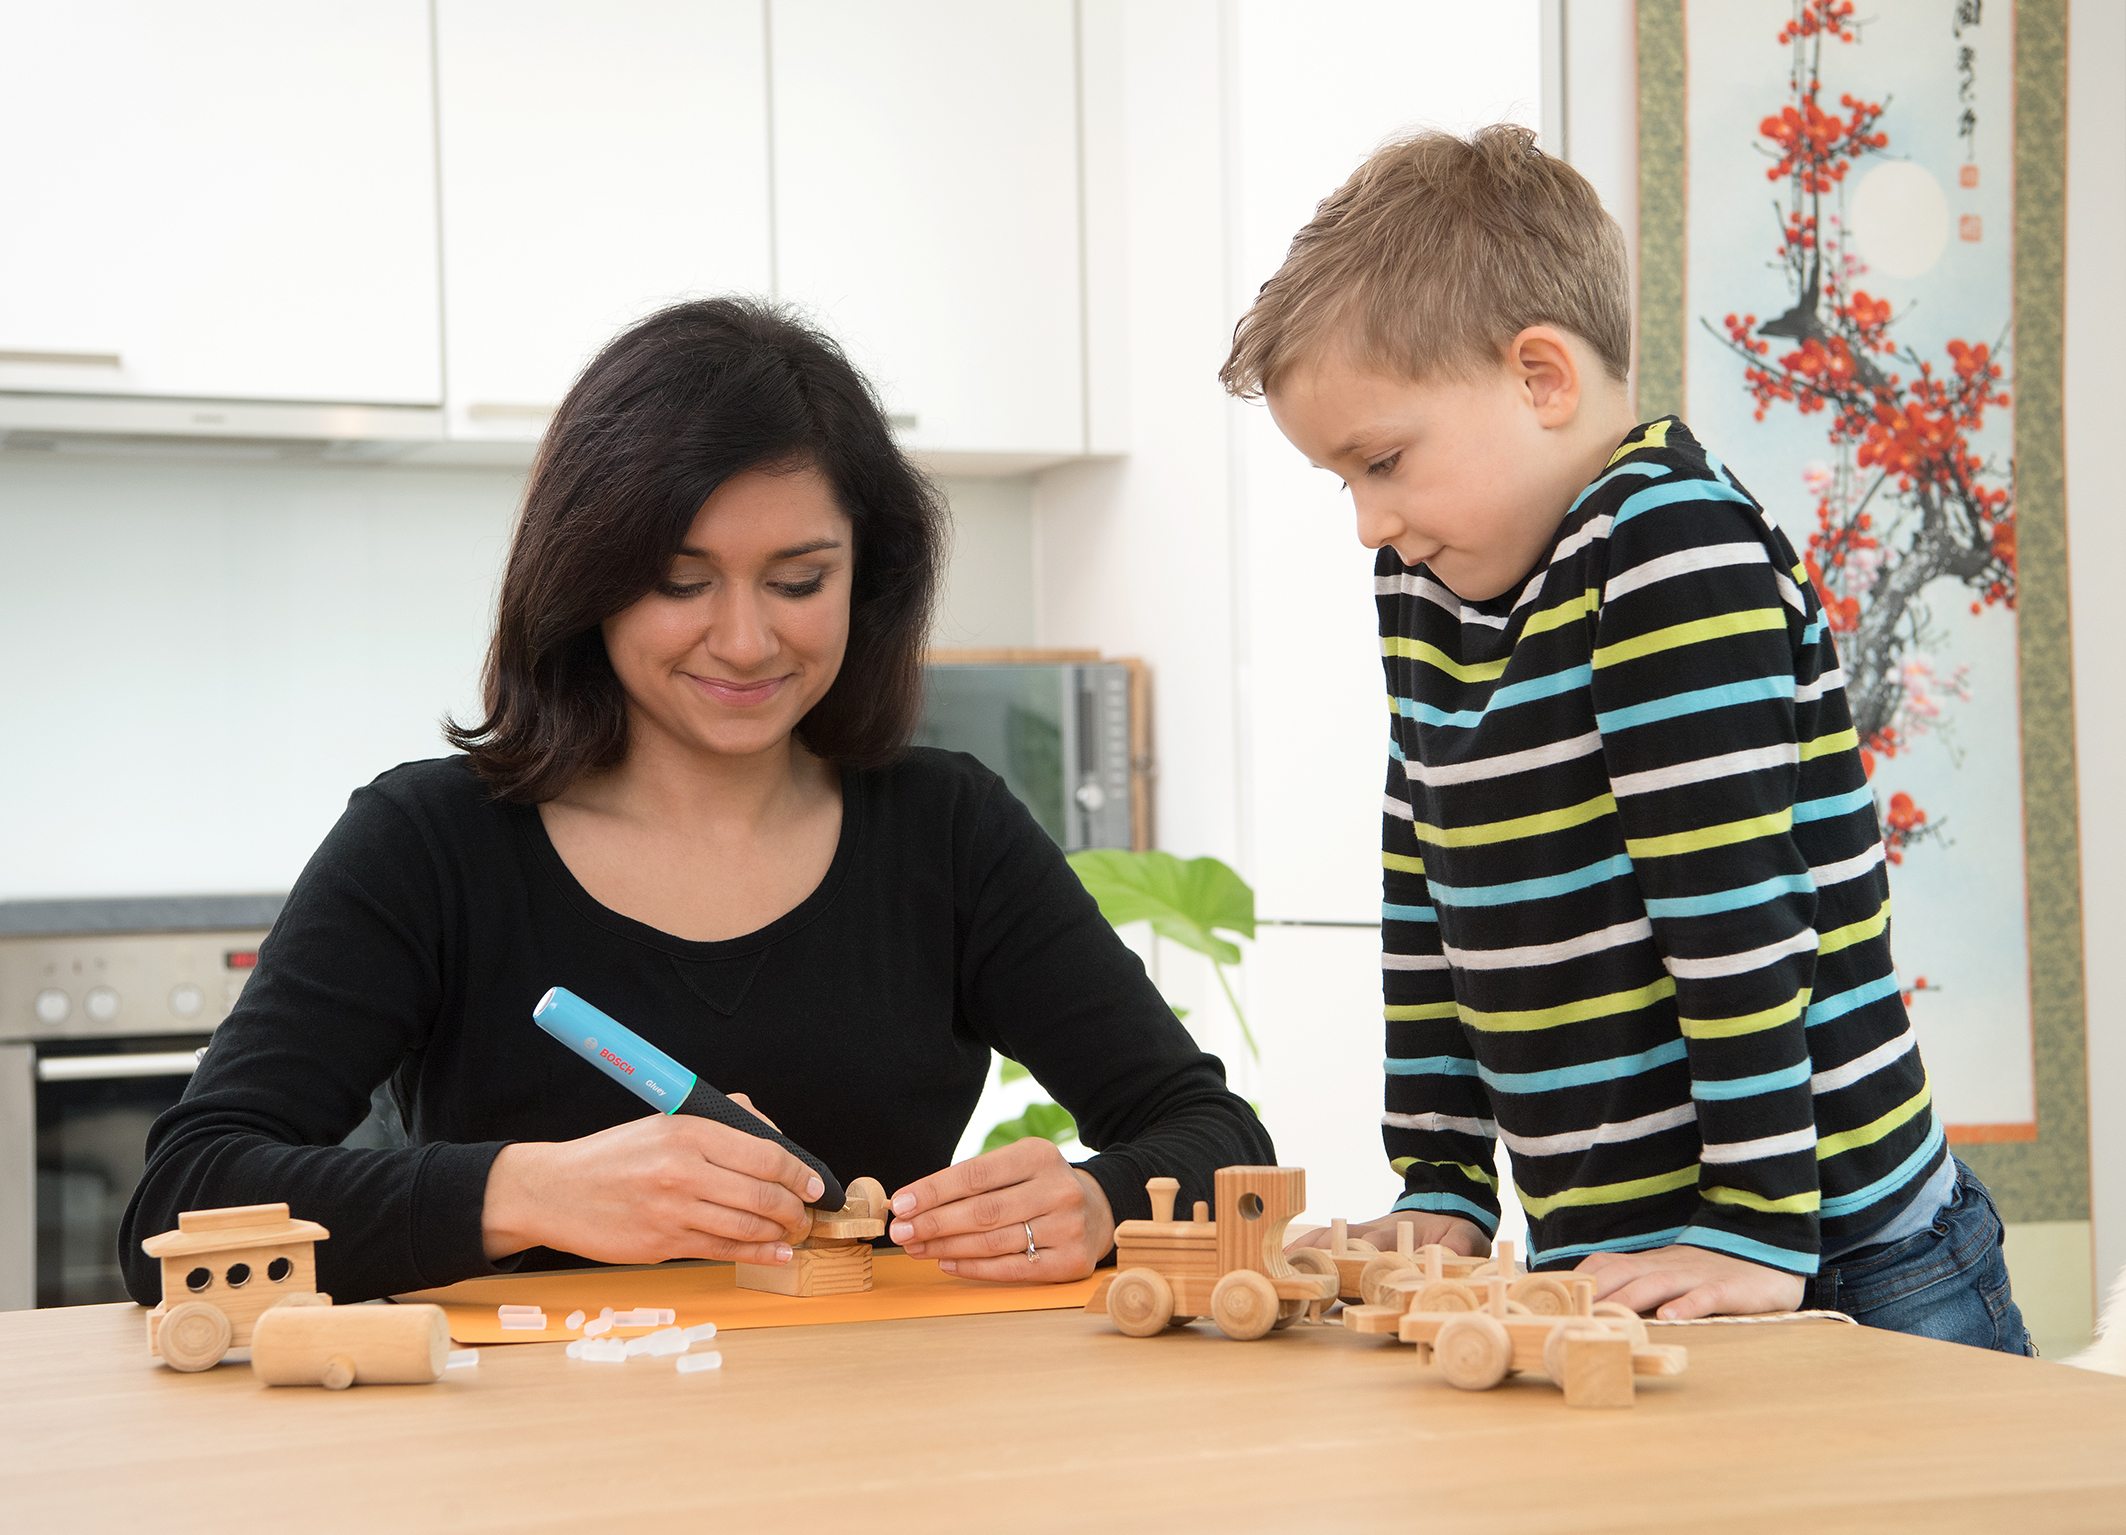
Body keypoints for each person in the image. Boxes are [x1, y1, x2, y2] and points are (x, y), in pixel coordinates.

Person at [121, 298, 1270, 1306]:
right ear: (588, 576)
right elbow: (180, 1197)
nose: (744, 638)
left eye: (798, 580)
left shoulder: (946, 830)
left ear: (863, 579)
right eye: (681, 581)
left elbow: (1216, 1137)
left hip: (873, 1439)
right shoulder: (428, 842)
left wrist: (1099, 1196)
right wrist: (527, 1191)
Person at [1220, 125, 2030, 1351]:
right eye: (1345, 481)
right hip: (1630, 1259)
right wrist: (1441, 1180)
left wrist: (1755, 1220)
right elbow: (1426, 895)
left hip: (1844, 1258)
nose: (1367, 522)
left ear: (1540, 377)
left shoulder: (1665, 547)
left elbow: (1732, 913)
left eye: (1380, 461)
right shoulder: (1423, 591)